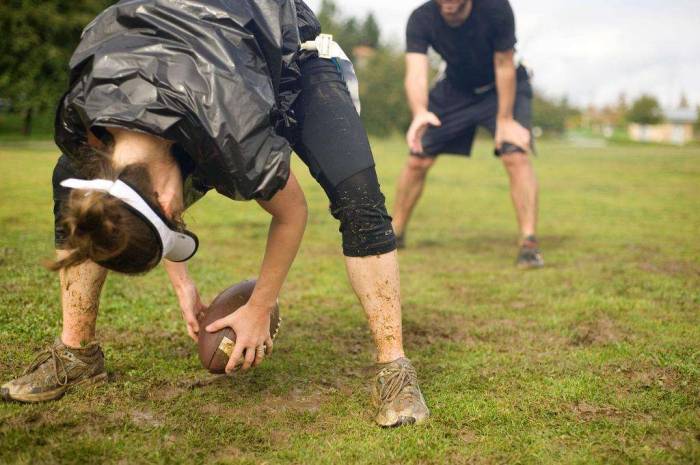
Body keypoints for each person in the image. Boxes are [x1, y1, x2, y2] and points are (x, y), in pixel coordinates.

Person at [1, 0, 429, 427]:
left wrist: (260, 306)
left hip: (288, 51)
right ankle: (76, 351)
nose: (176, 211)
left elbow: (291, 213)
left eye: (172, 216)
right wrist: (183, 284)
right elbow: (137, 206)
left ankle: (394, 367)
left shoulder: (230, 130)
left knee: (358, 195)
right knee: (69, 182)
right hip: (195, 67)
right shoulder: (83, 120)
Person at [391, 0, 544, 268]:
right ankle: (394, 234)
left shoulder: (496, 9)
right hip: (456, 89)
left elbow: (504, 64)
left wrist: (505, 119)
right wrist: (420, 112)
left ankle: (528, 244)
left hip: (504, 87)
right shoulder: (421, 18)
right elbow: (415, 72)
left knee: (515, 155)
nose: (447, 6)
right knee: (418, 158)